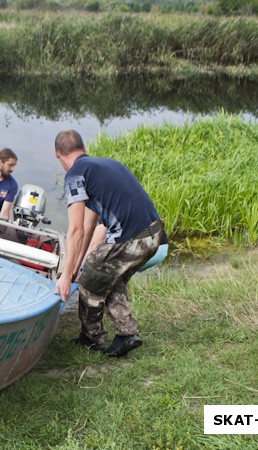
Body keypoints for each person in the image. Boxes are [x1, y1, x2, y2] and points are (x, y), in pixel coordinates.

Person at [53, 129, 166, 357]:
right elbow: (88, 227)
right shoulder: (105, 165)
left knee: (89, 278)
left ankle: (92, 337)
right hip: (155, 235)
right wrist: (74, 265)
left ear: (58, 155)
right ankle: (127, 334)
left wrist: (67, 276)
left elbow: (75, 230)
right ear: (83, 149)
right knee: (109, 279)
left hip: (133, 238)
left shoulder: (75, 175)